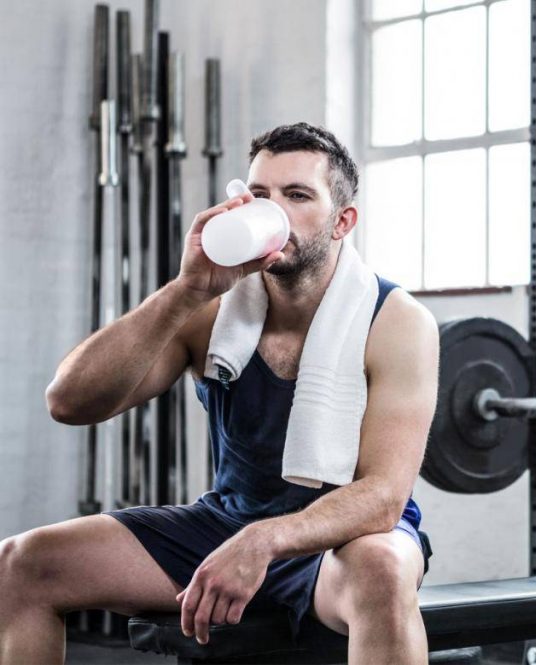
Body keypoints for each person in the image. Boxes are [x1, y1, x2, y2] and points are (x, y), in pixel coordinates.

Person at [0, 122, 438, 664]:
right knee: (21, 563)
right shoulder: (211, 311)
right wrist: (186, 289)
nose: (274, 210)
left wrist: (264, 540)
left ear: (342, 221)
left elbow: (384, 496)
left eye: (297, 195)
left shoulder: (397, 322)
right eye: (260, 195)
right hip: (228, 524)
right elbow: (69, 402)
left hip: (342, 543)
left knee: (384, 570)